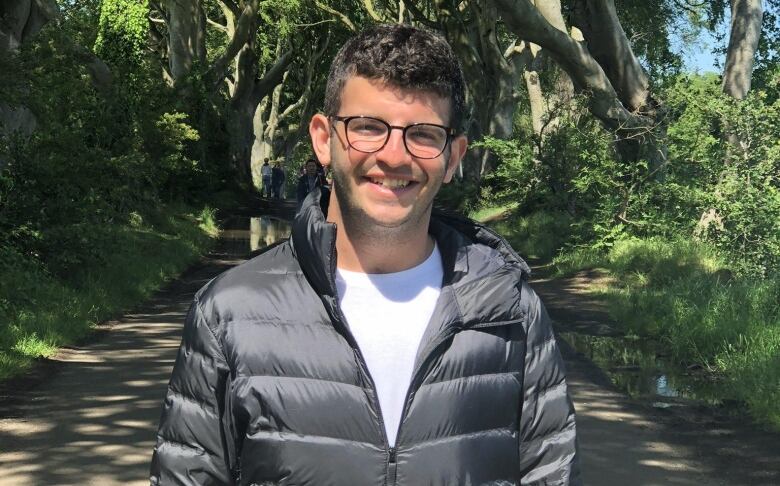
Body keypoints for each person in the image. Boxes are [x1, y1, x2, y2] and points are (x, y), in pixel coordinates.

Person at [151, 24, 580, 485]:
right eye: (368, 127)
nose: (394, 156)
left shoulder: (511, 312)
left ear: (454, 157)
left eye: (423, 134)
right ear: (323, 138)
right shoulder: (228, 312)